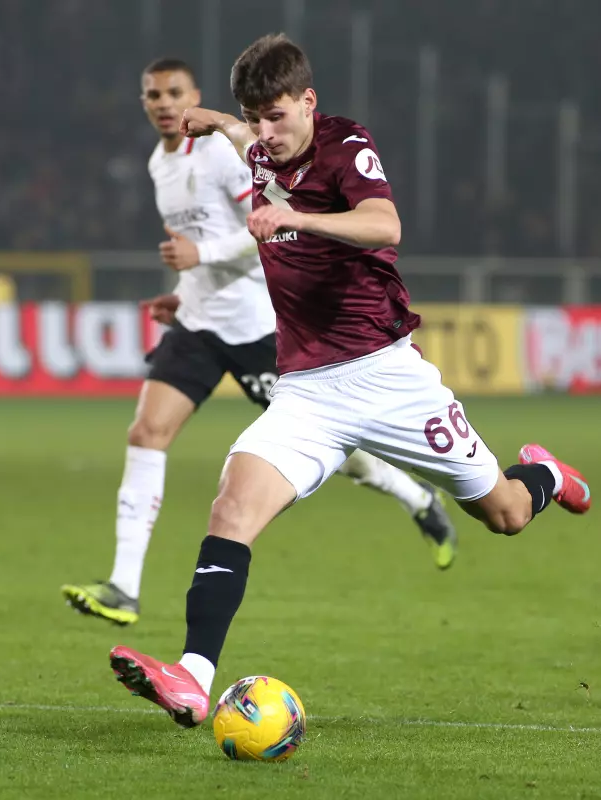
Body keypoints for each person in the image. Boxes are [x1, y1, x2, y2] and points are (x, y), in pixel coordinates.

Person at [106, 34, 592, 727]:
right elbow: (248, 138)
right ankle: (192, 677)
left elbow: (384, 224)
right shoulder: (259, 144)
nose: (265, 133)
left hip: (388, 377)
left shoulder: (345, 145)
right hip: (306, 391)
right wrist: (219, 121)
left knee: (506, 514)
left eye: (277, 117)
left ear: (309, 101)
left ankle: (546, 474)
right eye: (255, 118)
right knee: (231, 510)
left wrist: (295, 218)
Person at [62, 57, 458, 628]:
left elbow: (272, 227)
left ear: (195, 95)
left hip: (258, 327)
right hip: (200, 324)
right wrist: (184, 292)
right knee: (147, 432)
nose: (165, 104)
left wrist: (202, 256)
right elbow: (199, 241)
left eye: (175, 92)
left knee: (340, 451)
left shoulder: (226, 156)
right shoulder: (159, 163)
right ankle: (124, 586)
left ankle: (417, 497)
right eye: (153, 95)